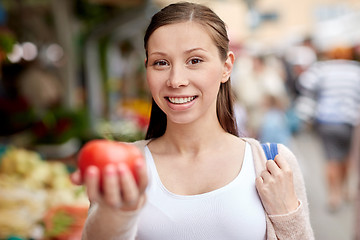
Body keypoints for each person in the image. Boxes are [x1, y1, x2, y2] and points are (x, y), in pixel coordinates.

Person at [72, 2, 314, 239]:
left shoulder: (273, 163)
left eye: (195, 61)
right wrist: (114, 213)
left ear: (226, 67)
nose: (176, 80)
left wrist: (287, 215)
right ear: (147, 69)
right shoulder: (123, 165)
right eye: (161, 63)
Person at [296, 46, 360, 211]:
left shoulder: (322, 69)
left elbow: (304, 83)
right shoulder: (355, 70)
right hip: (350, 121)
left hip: (326, 120)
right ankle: (345, 188)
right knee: (346, 158)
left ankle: (333, 195)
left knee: (331, 159)